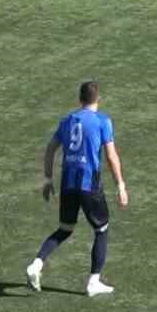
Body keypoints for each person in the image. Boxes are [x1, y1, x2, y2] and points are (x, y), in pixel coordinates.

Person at [25, 81, 129, 297]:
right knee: (101, 229)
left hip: (68, 184)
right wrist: (120, 185)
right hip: (89, 184)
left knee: (65, 229)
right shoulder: (102, 121)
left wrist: (47, 179)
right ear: (98, 99)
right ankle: (93, 281)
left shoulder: (67, 120)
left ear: (79, 99)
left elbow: (50, 149)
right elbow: (111, 156)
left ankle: (36, 264)